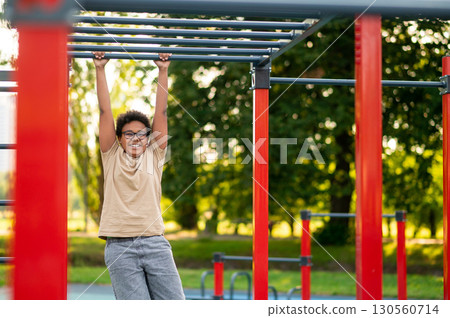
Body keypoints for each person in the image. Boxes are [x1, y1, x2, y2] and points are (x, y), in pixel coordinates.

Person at [93, 51, 185, 300]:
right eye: (129, 133)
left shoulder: (154, 156)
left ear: (149, 138)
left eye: (142, 133)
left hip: (155, 243)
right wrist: (100, 69)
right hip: (120, 248)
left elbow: (162, 113)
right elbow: (104, 112)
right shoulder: (111, 155)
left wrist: (163, 71)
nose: (135, 137)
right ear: (119, 138)